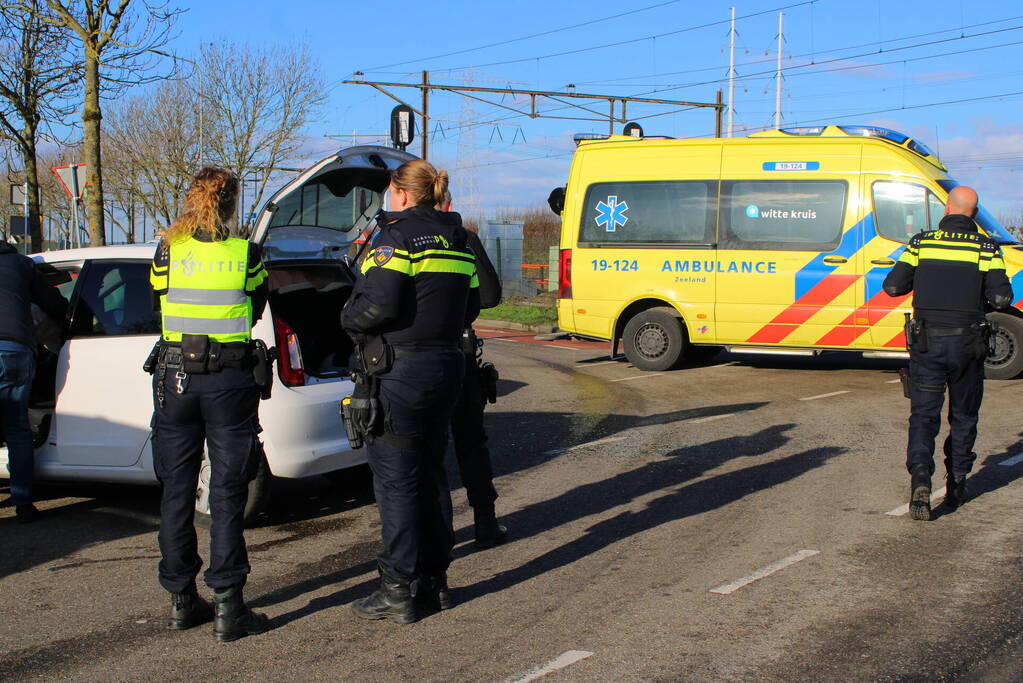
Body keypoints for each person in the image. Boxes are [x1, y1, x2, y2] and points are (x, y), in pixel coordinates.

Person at [341, 159, 479, 623]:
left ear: (400, 193)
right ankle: (435, 583)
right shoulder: (458, 238)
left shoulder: (395, 237)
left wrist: (346, 315)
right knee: (433, 474)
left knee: (398, 483)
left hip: (401, 373)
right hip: (446, 367)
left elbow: (377, 305)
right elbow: (475, 302)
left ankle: (398, 589)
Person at [148, 167, 270, 641]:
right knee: (226, 493)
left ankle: (181, 600)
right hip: (230, 377)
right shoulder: (246, 252)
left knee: (176, 490)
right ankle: (228, 605)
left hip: (174, 375)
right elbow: (257, 304)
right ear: (232, 202)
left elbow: (157, 298)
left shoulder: (168, 249)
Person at [882, 185, 1013, 521]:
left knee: (924, 417)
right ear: (973, 212)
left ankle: (920, 484)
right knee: (964, 416)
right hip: (969, 345)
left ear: (947, 209)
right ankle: (956, 483)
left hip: (927, 344)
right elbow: (1001, 300)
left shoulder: (922, 243)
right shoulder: (987, 247)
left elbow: (893, 286)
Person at [444, 194, 508, 549]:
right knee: (471, 442)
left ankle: (437, 536)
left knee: (425, 450)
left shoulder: (398, 239)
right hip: (462, 354)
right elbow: (490, 295)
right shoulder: (465, 240)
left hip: (418, 362)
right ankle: (485, 520)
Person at [0, 237, 67, 523]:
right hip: (15, 349)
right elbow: (52, 303)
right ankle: (23, 501)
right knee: (17, 428)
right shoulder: (21, 264)